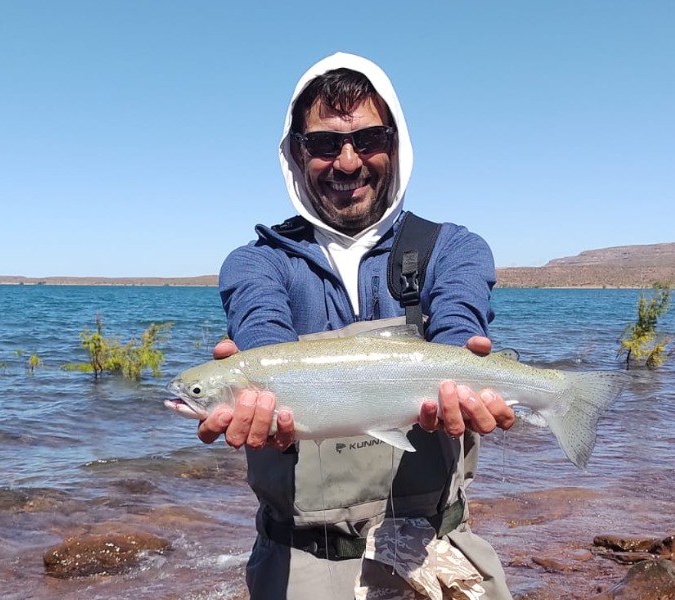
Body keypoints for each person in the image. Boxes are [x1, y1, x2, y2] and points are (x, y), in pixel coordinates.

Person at [197, 52, 516, 599]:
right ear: (296, 154)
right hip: (300, 564)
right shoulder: (256, 263)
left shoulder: (454, 249)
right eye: (324, 145)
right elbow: (262, 332)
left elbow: (459, 328)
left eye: (368, 140)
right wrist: (259, 395)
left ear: (396, 144)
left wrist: (466, 373)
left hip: (438, 552)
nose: (347, 162)